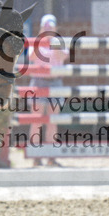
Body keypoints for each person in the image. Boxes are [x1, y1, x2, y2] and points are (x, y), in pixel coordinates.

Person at [30, 14, 68, 167]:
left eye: (50, 28)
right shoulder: (35, 42)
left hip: (55, 83)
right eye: (45, 28)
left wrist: (53, 40)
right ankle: (35, 156)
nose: (48, 30)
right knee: (36, 120)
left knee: (53, 121)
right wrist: (41, 39)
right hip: (38, 83)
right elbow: (32, 57)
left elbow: (61, 57)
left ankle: (51, 156)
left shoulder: (59, 42)